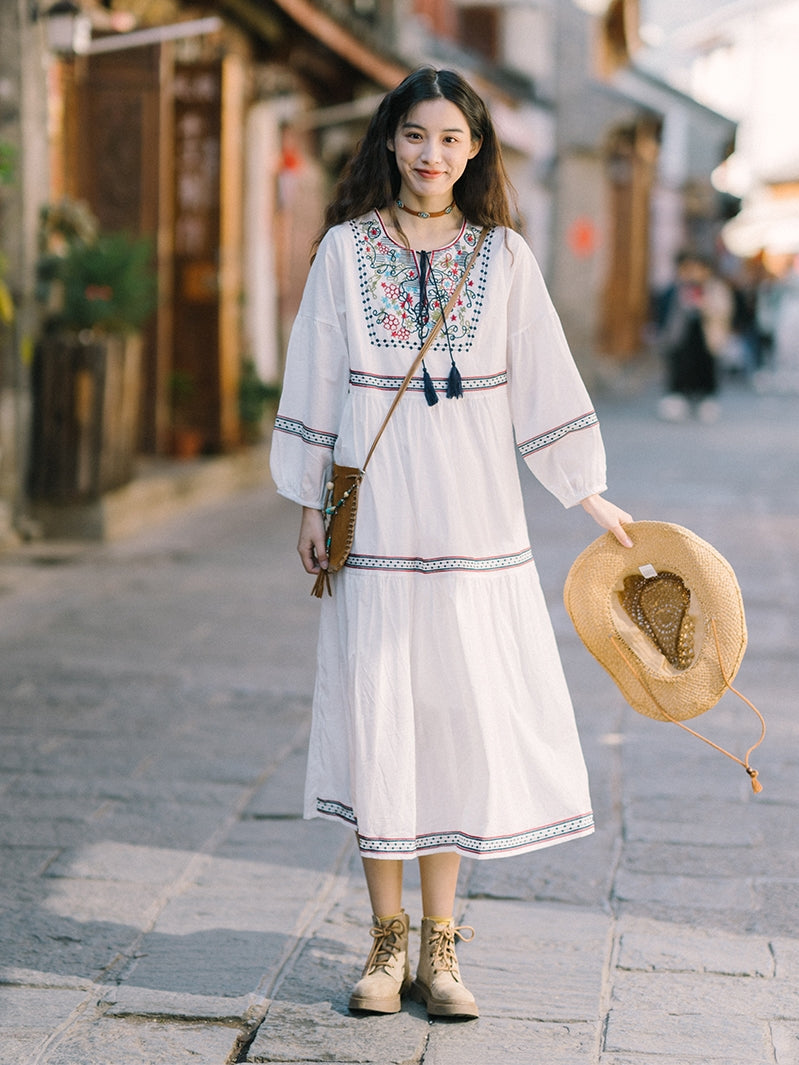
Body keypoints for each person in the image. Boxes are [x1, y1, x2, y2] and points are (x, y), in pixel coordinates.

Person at [270, 67, 632, 1021]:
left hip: (476, 530)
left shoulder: (504, 257)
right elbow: (314, 375)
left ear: (474, 153)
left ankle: (442, 949)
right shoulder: (344, 253)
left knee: (455, 725)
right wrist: (310, 500)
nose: (433, 155)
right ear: (391, 140)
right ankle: (384, 947)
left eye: (452, 140)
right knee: (384, 719)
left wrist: (589, 498)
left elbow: (543, 381)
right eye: (417, 136)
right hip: (380, 524)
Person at [656, 251, 734, 423]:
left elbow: (724, 312)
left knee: (706, 368)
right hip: (683, 337)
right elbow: (666, 313)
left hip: (707, 337)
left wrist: (704, 306)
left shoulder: (715, 288)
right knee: (681, 368)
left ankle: (706, 400)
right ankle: (679, 399)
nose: (693, 272)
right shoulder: (677, 288)